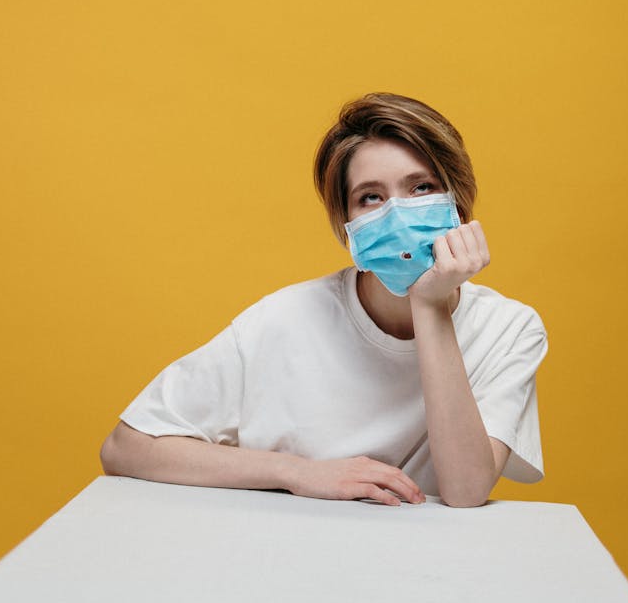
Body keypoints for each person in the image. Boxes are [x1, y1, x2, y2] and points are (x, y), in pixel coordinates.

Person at [101, 92, 548, 508]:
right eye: (370, 197)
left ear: (460, 202)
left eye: (421, 188)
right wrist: (297, 473)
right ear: (346, 225)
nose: (396, 212)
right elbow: (125, 446)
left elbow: (466, 491)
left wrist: (428, 304)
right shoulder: (283, 319)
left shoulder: (510, 329)